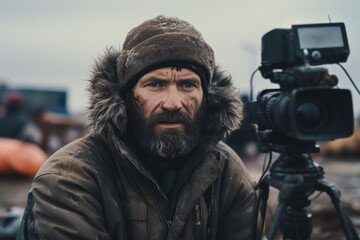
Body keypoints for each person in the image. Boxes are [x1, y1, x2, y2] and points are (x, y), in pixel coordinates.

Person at [17, 15, 261, 239]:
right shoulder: (69, 177)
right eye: (155, 84)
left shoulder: (225, 171)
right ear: (125, 97)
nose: (173, 103)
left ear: (207, 98)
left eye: (187, 85)